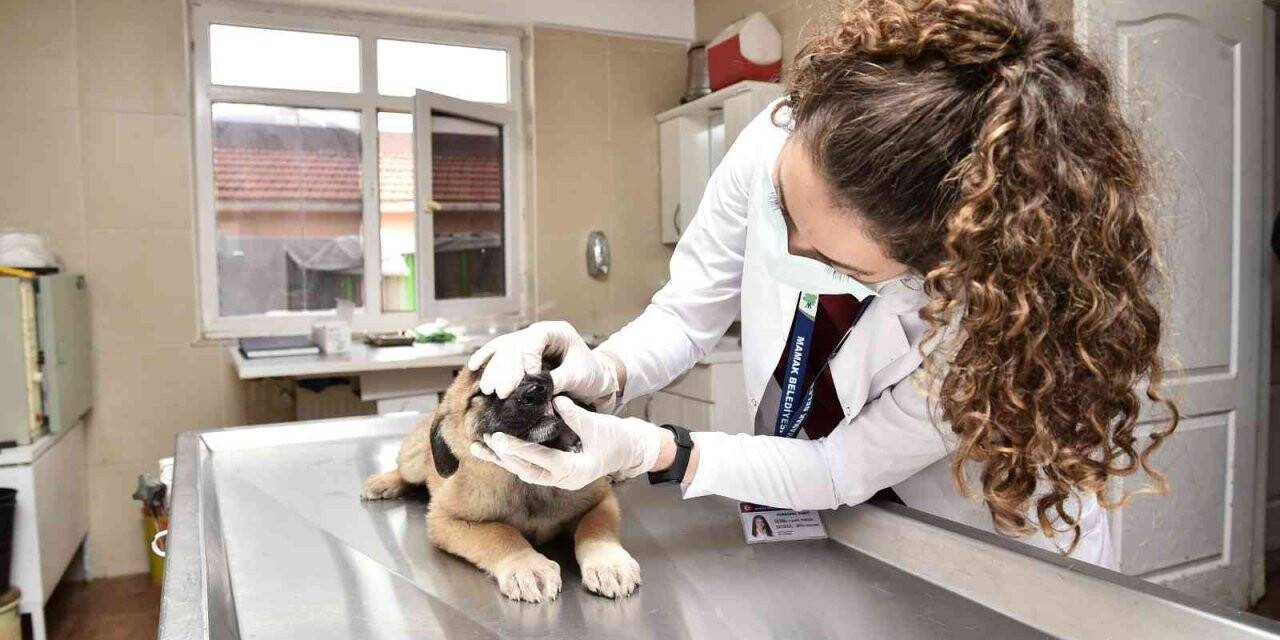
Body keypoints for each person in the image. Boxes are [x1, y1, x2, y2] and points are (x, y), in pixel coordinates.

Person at [467, 0, 1178, 569]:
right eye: (783, 207)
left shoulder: (987, 317)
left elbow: (840, 469)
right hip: (827, 518)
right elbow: (687, 316)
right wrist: (604, 367)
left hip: (988, 537)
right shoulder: (772, 144)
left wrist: (655, 450)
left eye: (838, 264)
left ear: (938, 266)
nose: (787, 251)